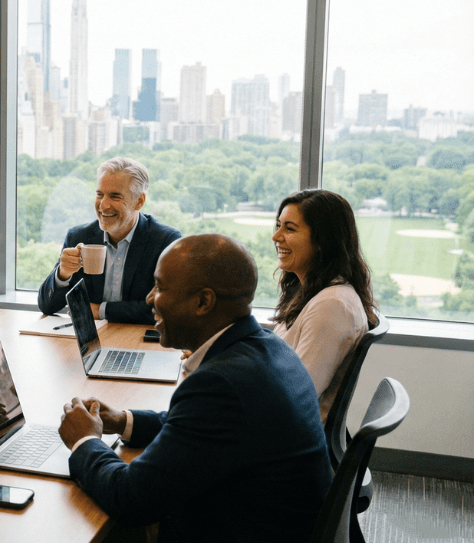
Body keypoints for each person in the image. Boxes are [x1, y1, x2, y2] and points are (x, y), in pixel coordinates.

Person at [58, 234, 331, 542]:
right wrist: (124, 420)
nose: (149, 299)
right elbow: (200, 426)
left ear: (204, 302)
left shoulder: (220, 385)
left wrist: (84, 440)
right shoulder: (268, 347)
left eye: (160, 287)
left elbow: (131, 499)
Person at [272, 189, 377, 422]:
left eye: (289, 229)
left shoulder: (332, 306)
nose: (276, 237)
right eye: (278, 225)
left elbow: (294, 396)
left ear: (323, 241)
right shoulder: (312, 293)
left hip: (289, 439)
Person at [37, 157, 181, 324]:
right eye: (100, 194)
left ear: (139, 201)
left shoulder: (166, 241)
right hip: (92, 341)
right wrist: (62, 274)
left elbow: (169, 309)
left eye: (115, 196)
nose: (103, 205)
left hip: (137, 340)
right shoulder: (78, 237)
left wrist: (101, 310)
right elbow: (47, 307)